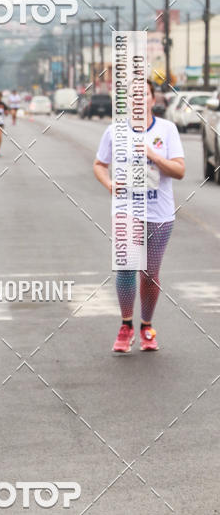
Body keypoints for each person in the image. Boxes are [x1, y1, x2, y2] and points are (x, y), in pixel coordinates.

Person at [93, 78, 185, 353]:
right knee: (125, 268)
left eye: (143, 94)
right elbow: (99, 164)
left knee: (150, 273)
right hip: (126, 211)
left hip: (159, 212)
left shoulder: (167, 130)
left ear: (152, 99)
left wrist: (153, 155)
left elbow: (179, 171)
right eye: (133, 95)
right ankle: (125, 325)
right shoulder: (114, 132)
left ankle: (146, 326)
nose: (138, 99)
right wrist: (109, 184)